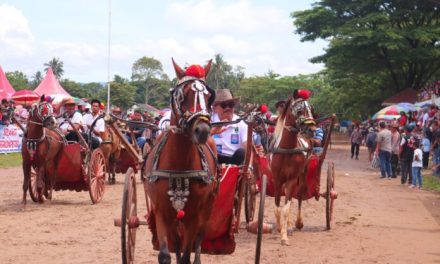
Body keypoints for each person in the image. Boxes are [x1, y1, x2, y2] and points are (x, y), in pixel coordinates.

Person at [211, 89, 247, 165]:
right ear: (215, 108)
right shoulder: (209, 122)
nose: (228, 108)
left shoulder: (241, 123)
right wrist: (212, 132)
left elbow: (248, 147)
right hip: (213, 159)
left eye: (231, 104)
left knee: (242, 152)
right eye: (223, 105)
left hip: (234, 161)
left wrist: (249, 166)